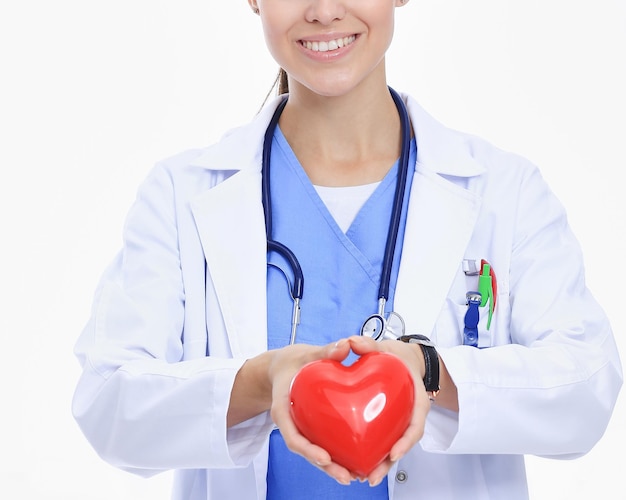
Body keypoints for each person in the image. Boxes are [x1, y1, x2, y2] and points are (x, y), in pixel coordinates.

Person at [72, 1, 623, 499]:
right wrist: (261, 382)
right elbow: (107, 401)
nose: (323, 10)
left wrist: (430, 371)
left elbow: (587, 388)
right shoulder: (182, 194)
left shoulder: (504, 191)